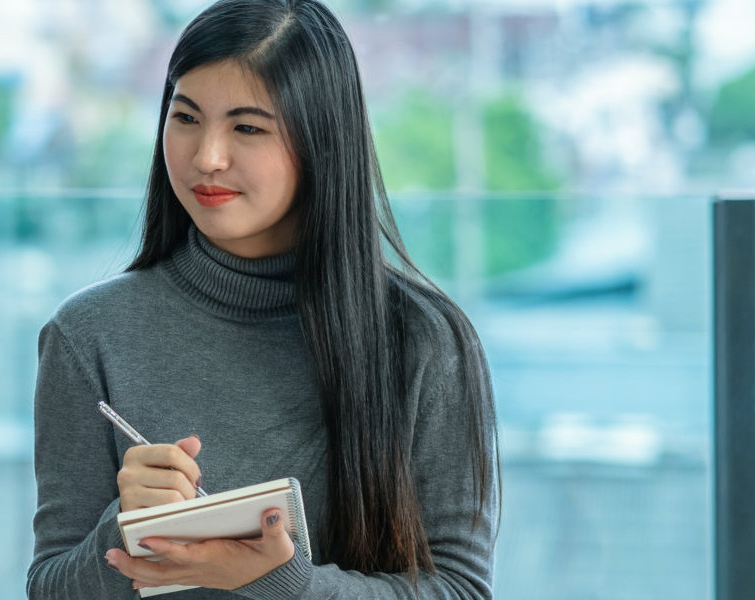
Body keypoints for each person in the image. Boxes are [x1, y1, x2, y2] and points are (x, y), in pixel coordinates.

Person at [26, 0, 498, 597]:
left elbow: (460, 590)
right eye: (186, 117)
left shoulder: (425, 340)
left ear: (320, 142)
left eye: (247, 127)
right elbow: (50, 589)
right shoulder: (88, 334)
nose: (206, 158)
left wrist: (283, 585)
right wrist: (120, 528)